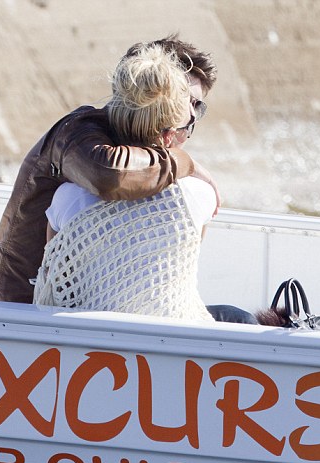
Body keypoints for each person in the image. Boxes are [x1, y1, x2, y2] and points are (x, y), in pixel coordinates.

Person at [0, 34, 218, 305]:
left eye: (198, 108)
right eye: (187, 102)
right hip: (24, 305)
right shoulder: (78, 133)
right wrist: (184, 163)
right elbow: (110, 175)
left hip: (92, 304)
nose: (189, 119)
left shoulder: (151, 166)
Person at [34, 44, 256, 325]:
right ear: (167, 137)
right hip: (171, 331)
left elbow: (54, 275)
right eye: (187, 125)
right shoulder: (199, 196)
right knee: (242, 320)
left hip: (86, 337)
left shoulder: (66, 197)